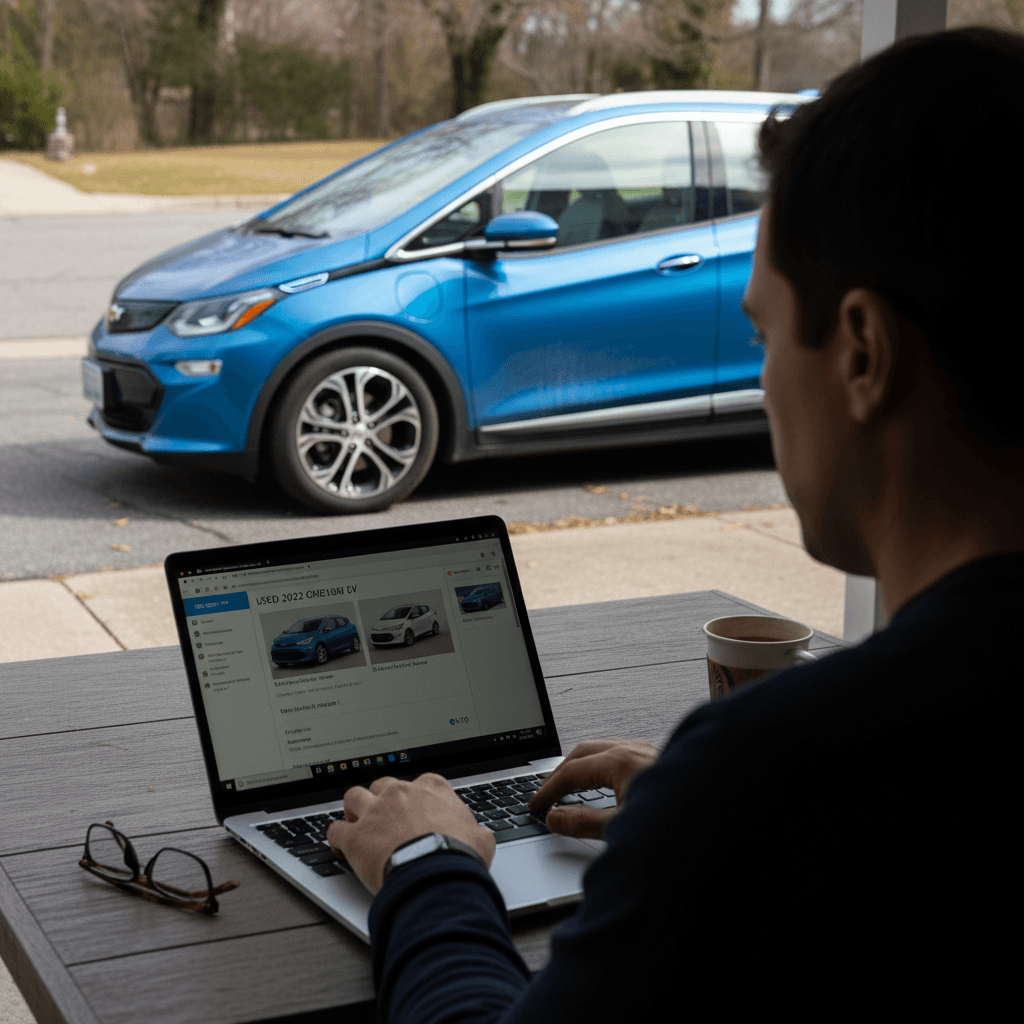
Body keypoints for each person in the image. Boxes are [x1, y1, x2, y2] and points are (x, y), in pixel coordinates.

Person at [328, 26, 1023, 1019]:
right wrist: (688, 821)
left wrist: (427, 861)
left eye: (764, 333)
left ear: (863, 352)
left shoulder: (778, 779)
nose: (760, 380)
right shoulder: (771, 791)